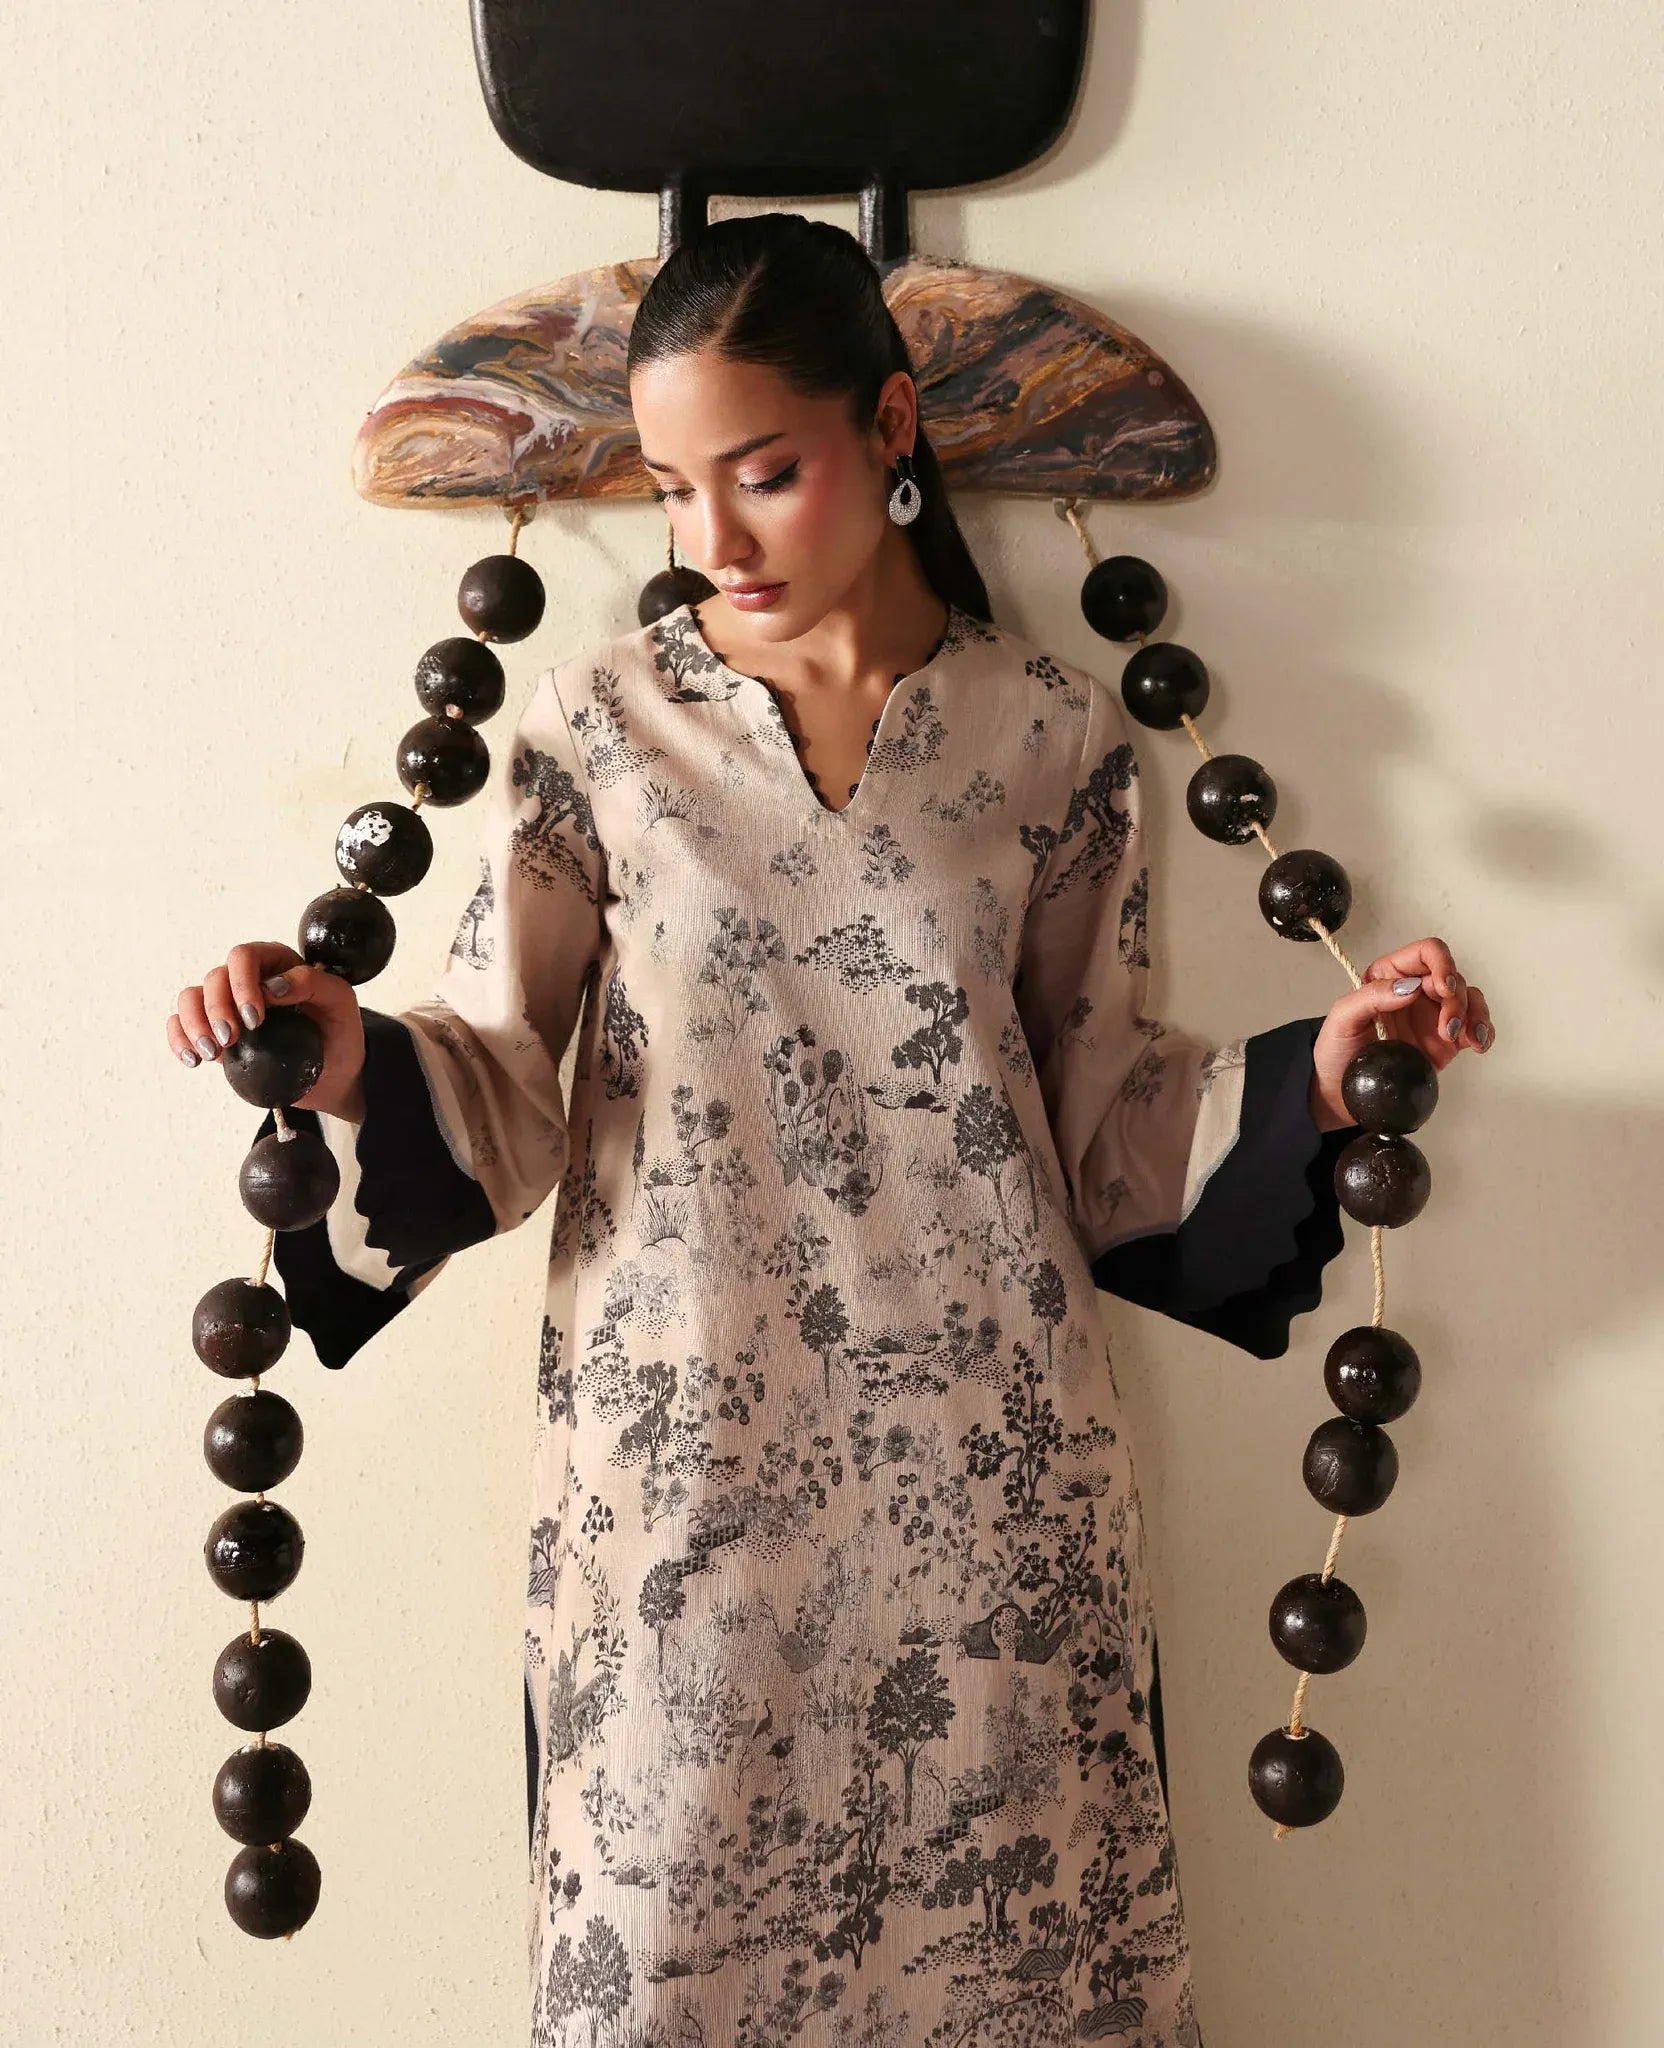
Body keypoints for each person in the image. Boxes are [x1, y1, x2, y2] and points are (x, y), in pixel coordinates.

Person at [168, 213, 1494, 2047]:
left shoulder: (1053, 738)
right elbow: (503, 1088)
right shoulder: (598, 734)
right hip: (681, 1484)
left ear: (890, 426)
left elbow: (1105, 1123)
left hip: (994, 1492)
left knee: (1027, 1975)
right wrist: (336, 1060)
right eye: (671, 489)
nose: (712, 541)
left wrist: (1329, 1069)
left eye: (764, 474)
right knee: (658, 1964)